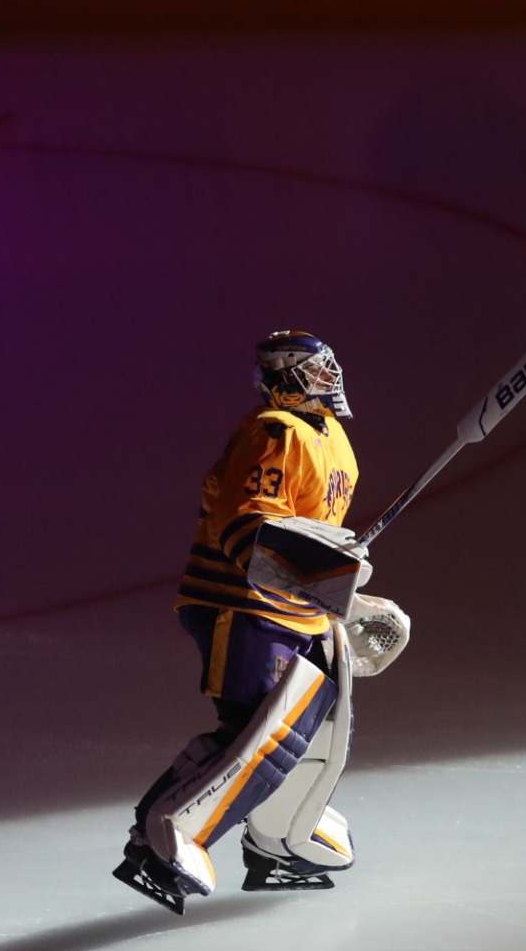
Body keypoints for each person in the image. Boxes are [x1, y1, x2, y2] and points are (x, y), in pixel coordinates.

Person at [114, 330, 409, 915]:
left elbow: (308, 530)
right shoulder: (275, 432)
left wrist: (340, 590)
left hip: (296, 610)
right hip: (243, 606)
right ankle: (161, 836)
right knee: (257, 731)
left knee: (312, 729)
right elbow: (247, 528)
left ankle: (279, 839)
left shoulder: (333, 438)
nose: (323, 379)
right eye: (308, 370)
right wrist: (324, 568)